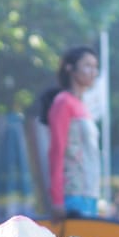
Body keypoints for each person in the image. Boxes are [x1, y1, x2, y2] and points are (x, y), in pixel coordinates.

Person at [39, 45, 101, 220]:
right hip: (72, 194)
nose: (93, 72)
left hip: (90, 194)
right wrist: (57, 199)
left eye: (95, 67)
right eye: (87, 66)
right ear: (70, 69)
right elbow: (56, 152)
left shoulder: (83, 107)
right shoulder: (63, 103)